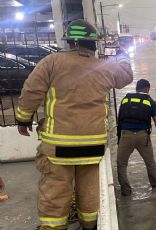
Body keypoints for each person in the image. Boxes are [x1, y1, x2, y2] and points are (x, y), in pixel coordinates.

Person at [15, 19, 133, 230]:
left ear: (70, 42)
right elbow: (126, 77)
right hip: (93, 145)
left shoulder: (51, 62)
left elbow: (31, 91)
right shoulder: (104, 67)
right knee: (88, 192)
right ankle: (89, 226)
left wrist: (23, 120)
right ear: (93, 44)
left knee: (55, 193)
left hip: (59, 147)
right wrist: (123, 56)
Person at [116, 79, 156, 196]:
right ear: (147, 88)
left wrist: (119, 138)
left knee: (121, 164)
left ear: (136, 88)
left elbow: (120, 120)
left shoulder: (125, 99)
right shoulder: (151, 101)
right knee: (150, 163)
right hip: (143, 136)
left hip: (126, 135)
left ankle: (126, 192)